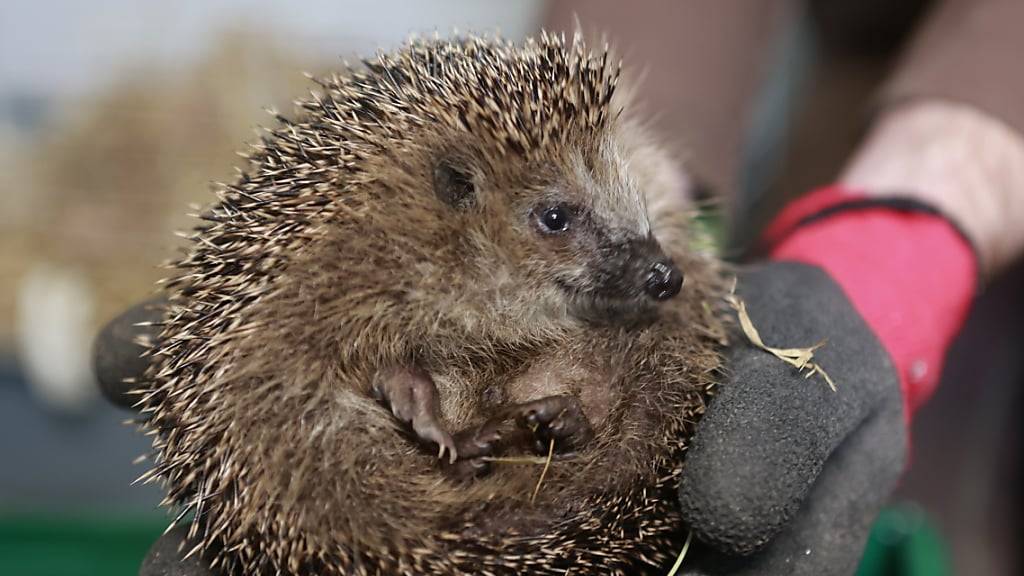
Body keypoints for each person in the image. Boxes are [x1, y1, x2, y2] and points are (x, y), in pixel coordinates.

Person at [94, 0, 1024, 574]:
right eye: (554, 220)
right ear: (453, 197)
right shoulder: (369, 267)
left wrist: (910, 223)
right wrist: (676, 183)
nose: (650, 260)